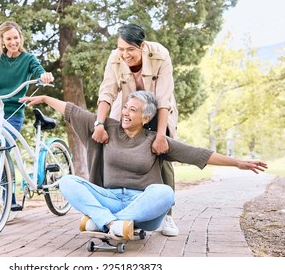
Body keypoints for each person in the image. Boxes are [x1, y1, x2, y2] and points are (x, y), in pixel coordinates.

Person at [19, 91, 267, 240]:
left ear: (146, 117)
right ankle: (113, 224)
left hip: (143, 209)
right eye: (125, 107)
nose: (125, 112)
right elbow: (72, 111)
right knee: (67, 181)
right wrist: (43, 98)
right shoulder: (109, 128)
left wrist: (237, 163)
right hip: (109, 197)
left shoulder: (155, 141)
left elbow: (197, 154)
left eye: (133, 110)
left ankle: (106, 222)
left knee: (165, 192)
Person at [92, 23, 179, 236]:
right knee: (106, 148)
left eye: (130, 49)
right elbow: (107, 93)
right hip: (129, 108)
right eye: (121, 49)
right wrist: (99, 124)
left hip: (157, 110)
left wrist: (160, 136)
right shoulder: (115, 58)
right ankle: (103, 212)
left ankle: (167, 216)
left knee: (163, 154)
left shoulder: (160, 56)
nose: (125, 54)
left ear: (142, 46)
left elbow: (163, 99)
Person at [0, 21, 54, 220]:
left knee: (4, 152)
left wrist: (45, 76)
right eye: (9, 39)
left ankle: (9, 198)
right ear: (3, 41)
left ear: (20, 38)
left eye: (16, 37)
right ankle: (9, 199)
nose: (13, 42)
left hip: (14, 111)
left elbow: (39, 71)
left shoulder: (28, 58)